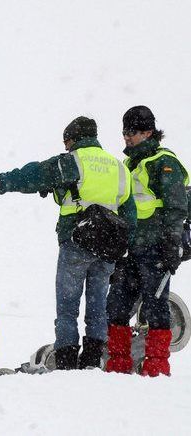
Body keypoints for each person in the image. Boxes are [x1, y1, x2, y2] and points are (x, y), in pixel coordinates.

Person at [0, 117, 135, 370]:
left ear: (73, 139)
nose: (66, 147)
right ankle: (93, 360)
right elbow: (130, 216)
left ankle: (68, 360)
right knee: (97, 307)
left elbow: (32, 175)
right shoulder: (120, 169)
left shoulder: (74, 162)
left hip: (77, 241)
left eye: (66, 142)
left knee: (68, 307)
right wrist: (123, 250)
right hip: (108, 249)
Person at [106, 106, 189, 377]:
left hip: (155, 248)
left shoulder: (165, 162)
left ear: (149, 132)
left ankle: (156, 366)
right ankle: (117, 363)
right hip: (129, 248)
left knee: (156, 307)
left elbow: (177, 207)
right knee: (116, 305)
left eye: (132, 132)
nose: (127, 138)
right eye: (124, 132)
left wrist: (172, 243)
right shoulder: (128, 165)